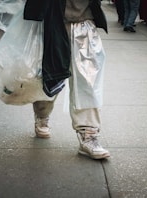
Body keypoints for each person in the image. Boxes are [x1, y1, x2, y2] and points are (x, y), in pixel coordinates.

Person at [23, 0, 110, 160]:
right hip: (50, 22)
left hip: (84, 22)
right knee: (49, 78)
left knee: (88, 82)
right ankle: (42, 114)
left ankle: (88, 134)